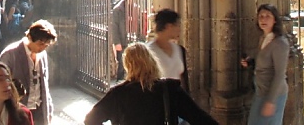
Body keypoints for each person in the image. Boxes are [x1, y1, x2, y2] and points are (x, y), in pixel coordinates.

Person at [84, 42, 218, 125]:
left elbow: (90, 119)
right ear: (151, 62)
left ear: (128, 66)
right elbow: (199, 118)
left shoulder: (117, 94)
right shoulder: (170, 89)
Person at [0, 20, 58, 125]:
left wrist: (48, 109)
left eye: (46, 45)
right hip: (19, 109)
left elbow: (44, 84)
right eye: (40, 44)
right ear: (30, 37)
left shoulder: (42, 55)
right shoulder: (10, 54)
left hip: (39, 109)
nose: (42, 48)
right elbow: (1, 84)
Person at [239, 4, 288, 125]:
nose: (263, 19)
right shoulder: (263, 38)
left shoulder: (280, 43)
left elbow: (280, 74)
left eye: (267, 16)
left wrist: (271, 101)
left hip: (273, 94)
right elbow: (264, 60)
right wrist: (250, 62)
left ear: (275, 20)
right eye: (261, 16)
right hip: (261, 92)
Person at [147, 9, 189, 90]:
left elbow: (184, 81)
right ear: (169, 26)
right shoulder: (148, 51)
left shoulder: (179, 50)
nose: (180, 30)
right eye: (178, 25)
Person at [110, 0, 141, 81]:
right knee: (122, 65)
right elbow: (114, 27)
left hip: (133, 39)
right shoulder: (118, 9)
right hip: (122, 41)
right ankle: (119, 82)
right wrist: (117, 43)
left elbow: (139, 24)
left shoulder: (136, 8)